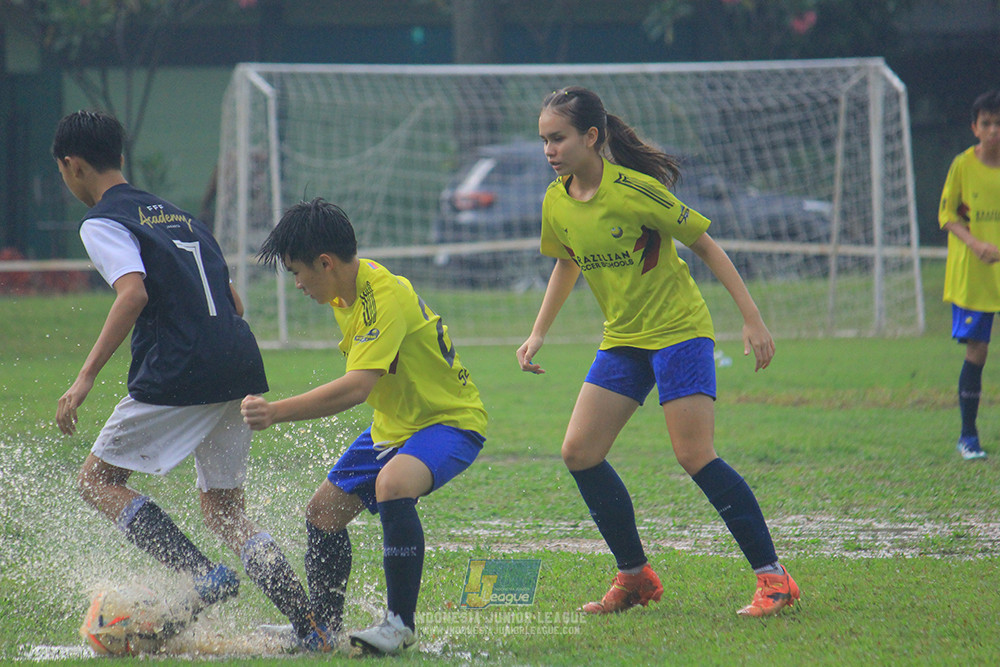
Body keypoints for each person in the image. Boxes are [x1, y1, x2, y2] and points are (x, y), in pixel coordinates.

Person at [516, 86, 799, 617]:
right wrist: (538, 333)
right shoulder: (557, 199)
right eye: (544, 140)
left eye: (558, 138)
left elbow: (705, 244)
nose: (549, 150)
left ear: (591, 137)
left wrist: (752, 317)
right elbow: (565, 263)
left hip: (678, 333)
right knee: (579, 452)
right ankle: (635, 577)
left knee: (694, 455)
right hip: (623, 339)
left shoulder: (636, 190)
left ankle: (774, 578)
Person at [51, 110, 329, 651]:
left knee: (95, 481)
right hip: (238, 361)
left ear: (73, 165)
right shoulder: (177, 216)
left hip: (181, 368)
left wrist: (84, 379)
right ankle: (311, 626)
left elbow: (132, 294)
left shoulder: (104, 221)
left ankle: (199, 574)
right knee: (226, 511)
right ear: (121, 157)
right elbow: (234, 301)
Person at [240, 198, 487, 655]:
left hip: (449, 421)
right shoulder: (346, 292)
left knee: (394, 483)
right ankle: (321, 629)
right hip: (392, 427)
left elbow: (356, 387)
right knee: (323, 513)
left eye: (298, 272)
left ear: (326, 263)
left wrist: (275, 412)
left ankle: (398, 625)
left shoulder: (382, 296)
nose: (296, 284)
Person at [939, 89, 1000, 461]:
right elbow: (947, 216)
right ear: (975, 128)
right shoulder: (963, 165)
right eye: (987, 123)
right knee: (977, 350)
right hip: (975, 274)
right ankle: (968, 437)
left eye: (999, 124)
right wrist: (975, 244)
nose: (994, 130)